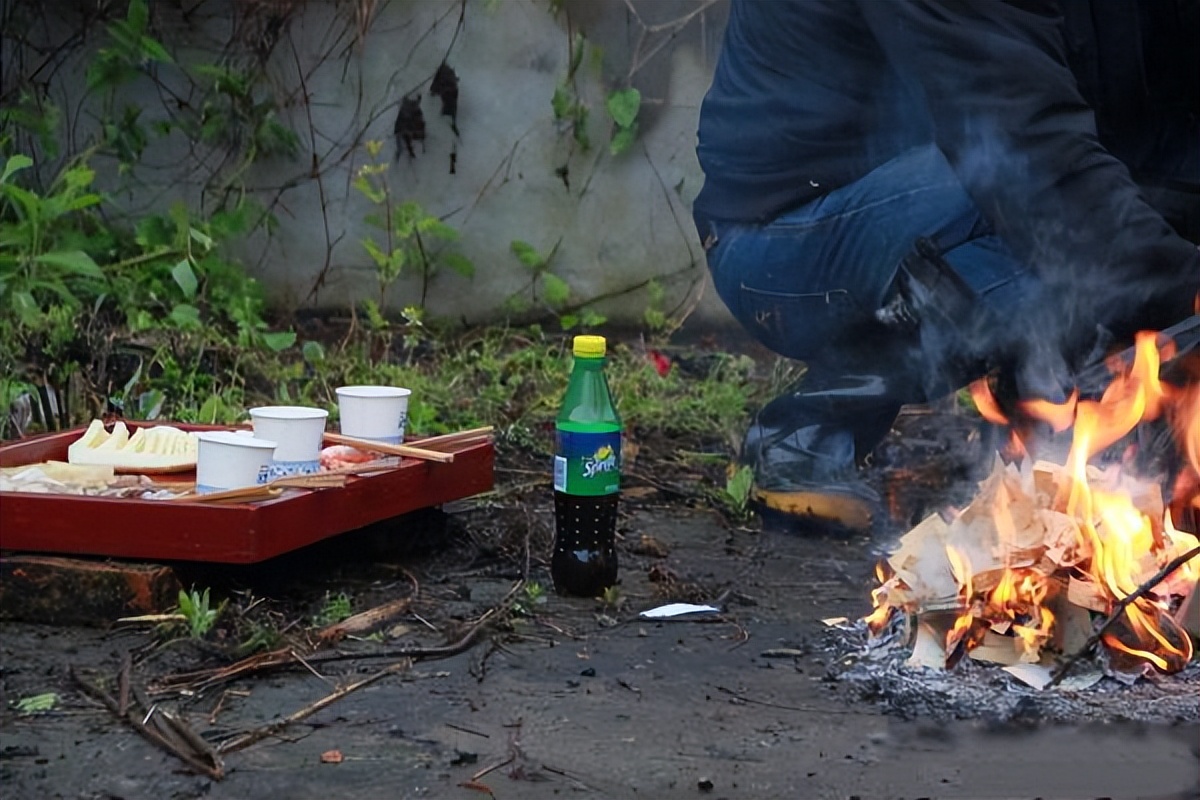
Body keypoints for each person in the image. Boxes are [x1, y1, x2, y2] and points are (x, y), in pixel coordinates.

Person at [692, 0, 1200, 533]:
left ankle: (1075, 435)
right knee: (1031, 197)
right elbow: (1031, 154)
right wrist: (1186, 296)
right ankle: (809, 428)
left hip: (928, 187)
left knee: (1098, 199)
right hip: (784, 238)